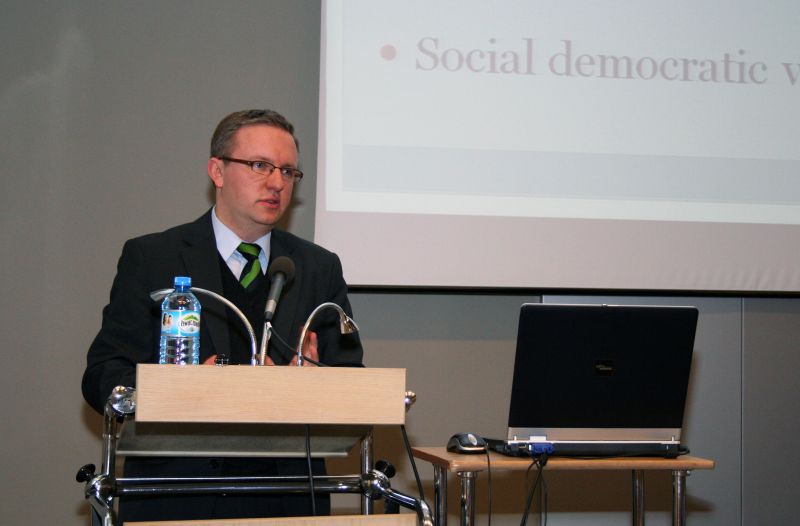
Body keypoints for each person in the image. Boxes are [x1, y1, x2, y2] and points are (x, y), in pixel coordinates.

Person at [82, 109, 364, 522]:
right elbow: (103, 375)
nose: (277, 183)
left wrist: (312, 388)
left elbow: (354, 385)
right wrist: (178, 390)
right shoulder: (152, 257)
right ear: (217, 170)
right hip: (177, 497)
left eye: (288, 171)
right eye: (260, 165)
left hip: (286, 500)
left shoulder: (318, 268)